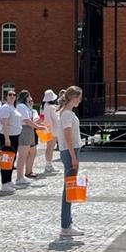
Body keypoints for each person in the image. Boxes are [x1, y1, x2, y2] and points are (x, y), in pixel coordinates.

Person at [55, 86, 85, 237]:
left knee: (69, 187)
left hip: (70, 150)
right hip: (69, 151)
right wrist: (73, 156)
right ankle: (66, 225)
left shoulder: (67, 113)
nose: (79, 101)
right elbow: (67, 136)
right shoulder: (67, 114)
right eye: (78, 98)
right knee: (69, 188)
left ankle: (68, 222)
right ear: (73, 98)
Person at [0, 88, 22, 194]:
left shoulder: (13, 107)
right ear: (6, 97)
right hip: (7, 137)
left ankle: (9, 180)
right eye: (10, 95)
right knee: (6, 160)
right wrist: (7, 138)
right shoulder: (5, 108)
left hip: (15, 136)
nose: (12, 96)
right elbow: (4, 123)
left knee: (12, 160)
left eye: (14, 95)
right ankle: (4, 183)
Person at [14, 90, 38, 186]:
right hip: (25, 130)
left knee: (25, 154)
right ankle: (19, 177)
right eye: (29, 96)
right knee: (22, 155)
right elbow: (26, 120)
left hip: (28, 130)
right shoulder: (22, 106)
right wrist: (38, 126)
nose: (30, 98)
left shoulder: (25, 106)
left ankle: (21, 176)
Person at [41, 89, 60, 174]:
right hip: (53, 129)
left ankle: (48, 164)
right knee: (50, 148)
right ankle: (49, 165)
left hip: (46, 129)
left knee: (48, 148)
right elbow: (56, 119)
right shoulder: (51, 107)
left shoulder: (44, 106)